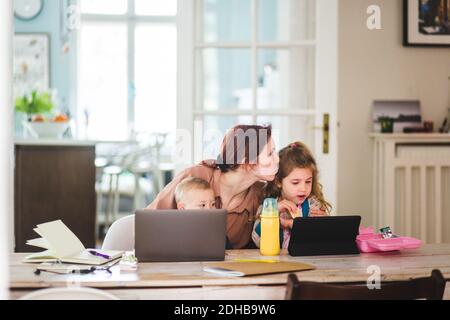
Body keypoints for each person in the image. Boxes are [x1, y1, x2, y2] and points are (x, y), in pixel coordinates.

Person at [146, 124, 279, 249]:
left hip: (224, 270)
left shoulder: (261, 195)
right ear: (246, 161)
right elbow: (147, 222)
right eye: (270, 154)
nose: (277, 159)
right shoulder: (194, 176)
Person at [252, 141, 331, 249]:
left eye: (308, 182)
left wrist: (326, 224)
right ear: (279, 181)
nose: (303, 188)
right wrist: (272, 214)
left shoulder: (313, 206)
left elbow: (321, 242)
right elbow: (258, 241)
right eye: (295, 182)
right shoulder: (269, 207)